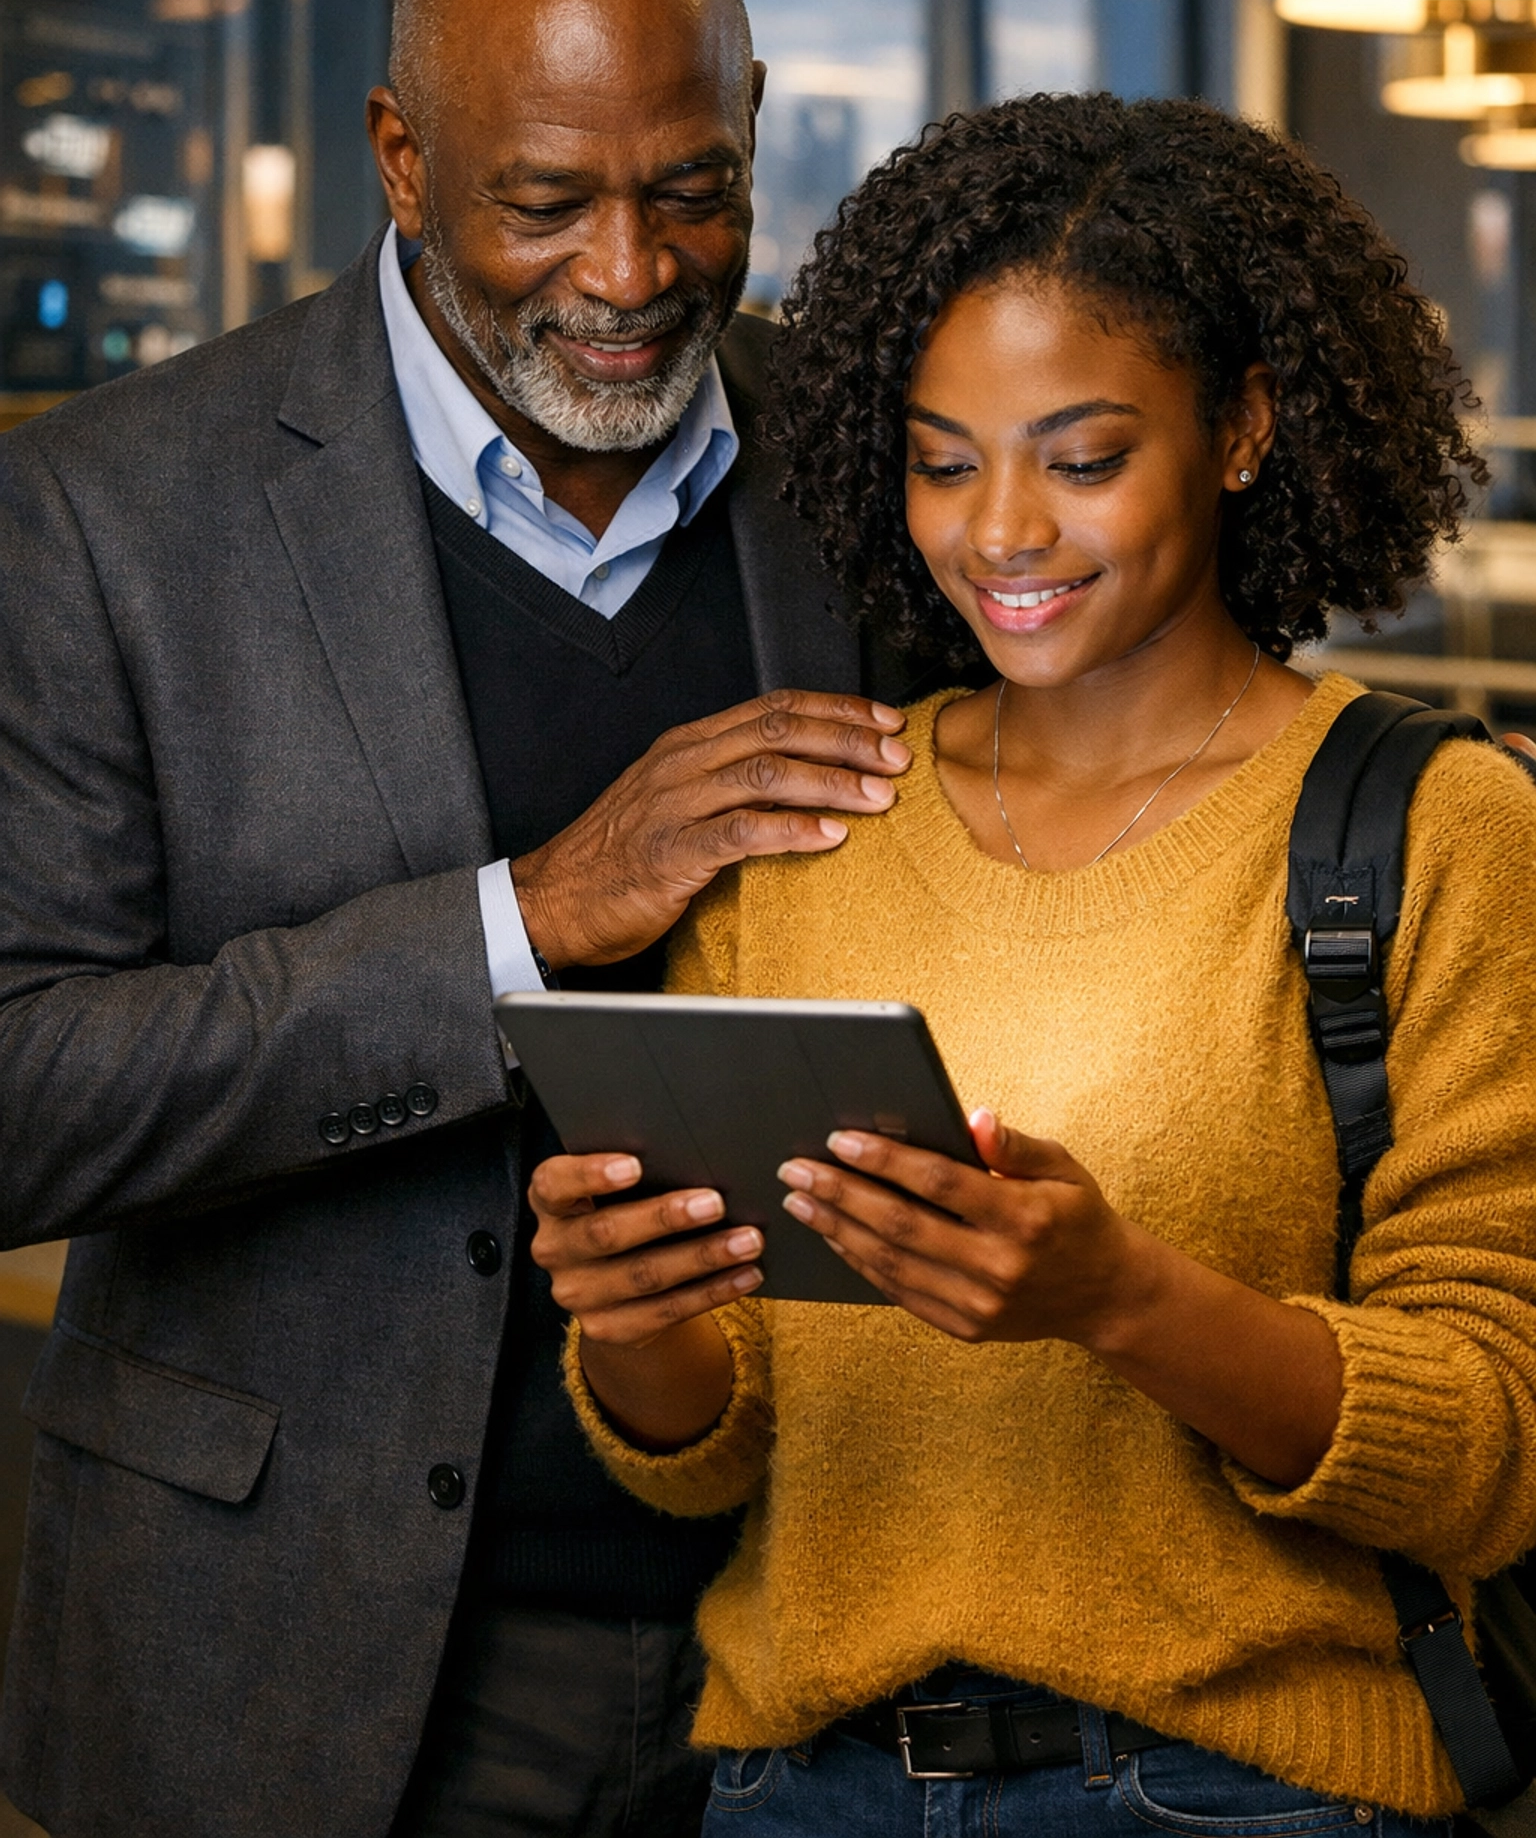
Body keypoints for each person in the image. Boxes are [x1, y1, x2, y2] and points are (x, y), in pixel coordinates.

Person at [0, 0, 925, 1838]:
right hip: (293, 1664)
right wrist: (524, 923)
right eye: (545, 201)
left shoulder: (870, 482)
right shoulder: (101, 516)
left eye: (692, 184)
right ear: (401, 161)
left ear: (754, 117)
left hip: (808, 1651)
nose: (630, 269)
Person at [533, 93, 1536, 1835]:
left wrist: (1118, 1302)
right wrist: (637, 1324)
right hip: (801, 1786)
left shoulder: (1433, 834)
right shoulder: (814, 826)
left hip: (1242, 1792)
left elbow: (1492, 1453)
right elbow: (717, 1445)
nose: (1000, 530)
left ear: (1240, 429)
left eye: (1081, 460)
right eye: (942, 459)